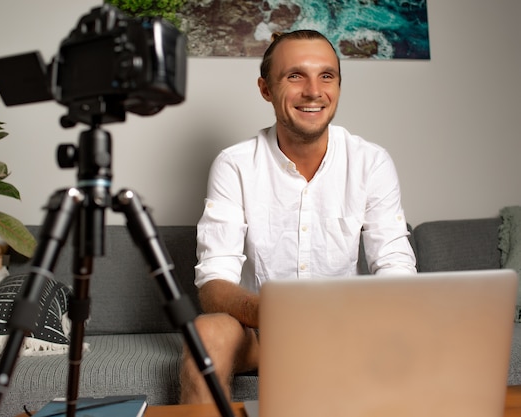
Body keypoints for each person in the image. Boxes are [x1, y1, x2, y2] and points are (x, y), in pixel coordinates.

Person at [179, 29, 417, 404]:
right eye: (295, 76)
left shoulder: (371, 162)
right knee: (205, 333)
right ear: (265, 89)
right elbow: (214, 283)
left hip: (345, 329)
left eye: (326, 76)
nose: (313, 91)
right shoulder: (234, 165)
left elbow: (394, 263)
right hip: (259, 332)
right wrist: (278, 315)